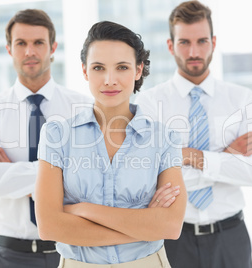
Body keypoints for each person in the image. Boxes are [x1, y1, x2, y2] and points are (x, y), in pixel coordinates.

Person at [35, 21, 187, 267]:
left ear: (138, 71)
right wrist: (144, 226)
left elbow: (170, 225)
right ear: (85, 71)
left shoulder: (164, 139)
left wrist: (83, 209)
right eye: (98, 67)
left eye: (122, 67)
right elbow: (49, 226)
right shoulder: (56, 136)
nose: (109, 79)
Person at [135, 1, 252, 268]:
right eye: (184, 42)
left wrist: (187, 157)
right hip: (173, 238)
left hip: (231, 238)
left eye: (201, 41)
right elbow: (151, 182)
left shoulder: (242, 99)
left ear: (213, 42)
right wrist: (226, 156)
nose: (193, 51)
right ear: (171, 45)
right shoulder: (149, 104)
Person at [0, 9, 92, 268]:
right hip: (11, 254)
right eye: (21, 43)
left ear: (53, 48)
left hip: (74, 252)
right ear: (9, 49)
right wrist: (60, 171)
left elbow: (90, 180)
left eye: (38, 43)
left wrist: (12, 172)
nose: (29, 52)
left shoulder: (84, 109)